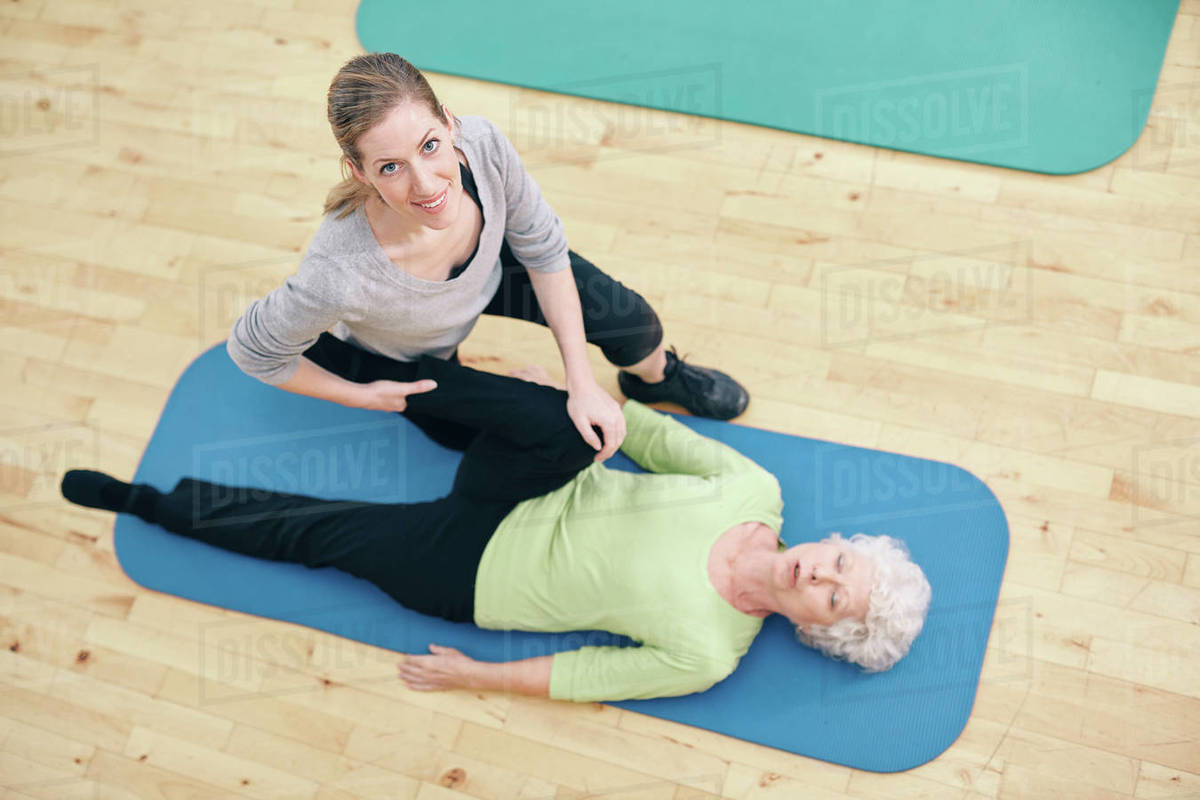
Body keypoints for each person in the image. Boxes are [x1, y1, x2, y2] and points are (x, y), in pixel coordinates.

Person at [61, 347, 932, 702]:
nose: (817, 577)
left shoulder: (708, 655)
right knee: (555, 417)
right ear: (836, 542)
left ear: (817, 632)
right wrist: (564, 383)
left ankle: (144, 501)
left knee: (311, 533)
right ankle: (339, 345)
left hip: (467, 574)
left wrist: (475, 675)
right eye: (837, 565)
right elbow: (651, 433)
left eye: (830, 602)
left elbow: (584, 675)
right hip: (528, 493)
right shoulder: (753, 489)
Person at [226, 51, 750, 466]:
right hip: (408, 354)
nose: (426, 185)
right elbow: (251, 351)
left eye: (430, 145)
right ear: (358, 172)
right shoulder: (338, 273)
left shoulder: (484, 146)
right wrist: (357, 395)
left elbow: (544, 250)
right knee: (513, 433)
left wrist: (583, 379)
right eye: (390, 167)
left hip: (491, 270)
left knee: (632, 324)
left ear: (450, 124)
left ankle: (654, 377)